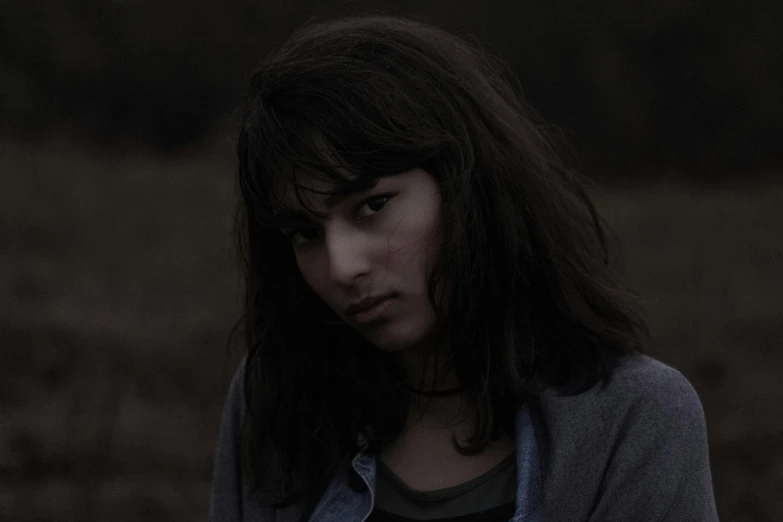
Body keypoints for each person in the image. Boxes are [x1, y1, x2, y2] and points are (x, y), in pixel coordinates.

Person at [209, 14, 718, 522]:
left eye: (373, 205)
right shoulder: (277, 399)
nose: (341, 267)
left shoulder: (634, 420)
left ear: (465, 187)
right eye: (305, 232)